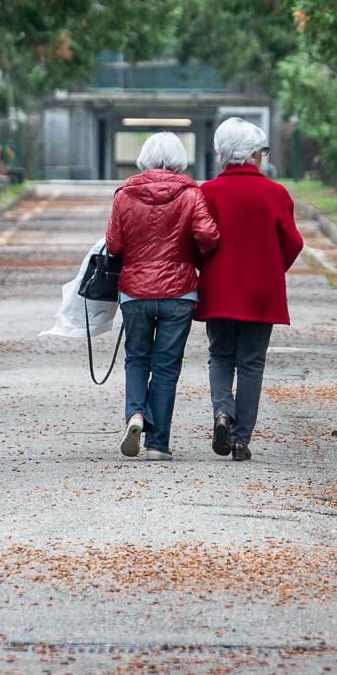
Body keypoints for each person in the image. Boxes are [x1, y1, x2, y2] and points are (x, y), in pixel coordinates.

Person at [105, 132, 220, 460]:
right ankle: (158, 444)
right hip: (179, 292)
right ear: (179, 159)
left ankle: (136, 414)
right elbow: (208, 236)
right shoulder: (191, 193)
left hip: (135, 291)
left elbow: (113, 244)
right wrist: (190, 253)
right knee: (167, 366)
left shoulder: (124, 194)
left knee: (136, 358)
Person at [196, 119, 303, 462]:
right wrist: (272, 268)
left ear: (223, 155)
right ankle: (241, 440)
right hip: (261, 291)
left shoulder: (207, 193)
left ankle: (222, 413)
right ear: (255, 155)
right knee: (252, 363)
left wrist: (206, 267)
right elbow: (293, 243)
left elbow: (197, 240)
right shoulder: (276, 194)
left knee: (221, 355)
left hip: (218, 288)